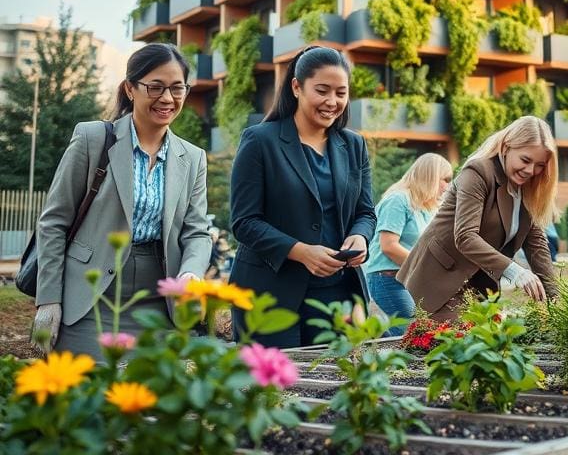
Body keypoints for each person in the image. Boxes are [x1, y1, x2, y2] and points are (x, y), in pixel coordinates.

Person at [32, 43, 211, 360]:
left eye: (177, 88)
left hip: (159, 298)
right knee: (88, 395)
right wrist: (48, 299)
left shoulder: (193, 158)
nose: (167, 98)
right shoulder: (93, 139)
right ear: (130, 88)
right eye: (155, 87)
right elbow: (54, 222)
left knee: (148, 399)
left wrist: (191, 272)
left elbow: (196, 230)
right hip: (89, 295)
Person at [228, 46, 376, 348]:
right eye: (322, 90)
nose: (332, 102)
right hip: (269, 294)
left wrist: (360, 238)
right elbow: (244, 222)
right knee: (272, 392)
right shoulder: (260, 140)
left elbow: (365, 212)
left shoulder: (354, 145)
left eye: (341, 93)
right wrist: (301, 251)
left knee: (333, 387)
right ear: (296, 87)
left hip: (336, 296)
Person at [398, 116, 559, 321]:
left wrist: (556, 300)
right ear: (507, 147)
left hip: (479, 284)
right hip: (440, 277)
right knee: (461, 344)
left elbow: (537, 246)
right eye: (525, 160)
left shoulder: (528, 190)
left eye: (540, 165)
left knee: (486, 345)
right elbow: (465, 236)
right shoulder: (478, 172)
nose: (530, 171)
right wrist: (516, 272)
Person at [366, 153, 453, 335]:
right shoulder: (398, 200)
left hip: (407, 280)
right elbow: (388, 246)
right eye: (445, 179)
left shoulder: (424, 208)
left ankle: (375, 335)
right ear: (430, 176)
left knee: (409, 333)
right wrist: (426, 267)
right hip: (387, 278)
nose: (448, 185)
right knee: (413, 333)